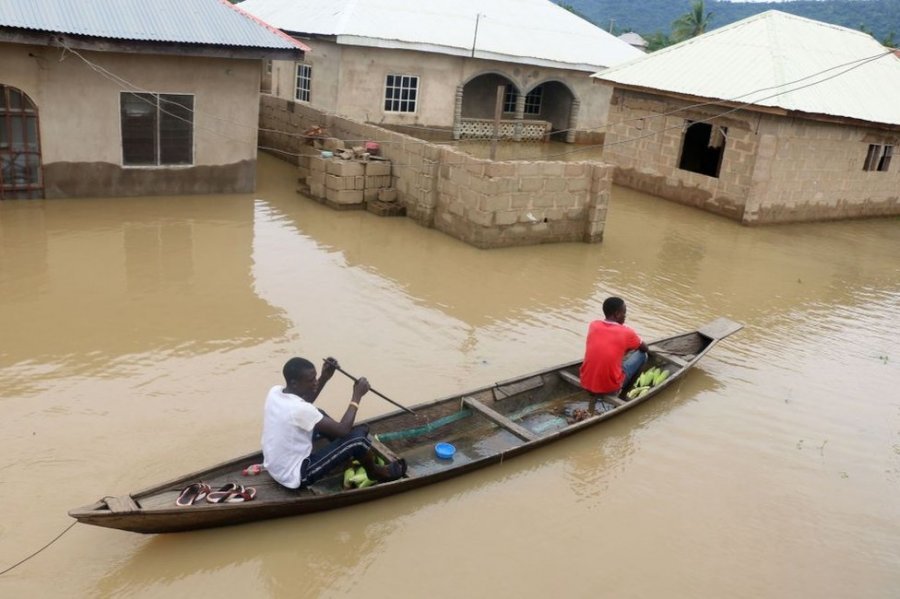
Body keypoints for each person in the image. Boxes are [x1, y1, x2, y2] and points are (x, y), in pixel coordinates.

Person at [262, 356, 406, 489]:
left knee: (320, 414)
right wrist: (357, 396)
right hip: (294, 475)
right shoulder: (300, 410)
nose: (315, 382)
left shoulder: (275, 392)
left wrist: (324, 377)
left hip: (274, 466)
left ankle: (346, 452)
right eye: (311, 380)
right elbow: (342, 430)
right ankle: (375, 472)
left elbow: (305, 403)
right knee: (359, 440)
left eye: (315, 378)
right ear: (294, 383)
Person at [579, 297, 649, 395]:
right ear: (617, 314)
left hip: (585, 383)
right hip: (610, 388)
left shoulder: (593, 325)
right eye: (624, 313)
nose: (625, 316)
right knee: (643, 355)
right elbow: (645, 348)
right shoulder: (626, 332)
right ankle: (624, 392)